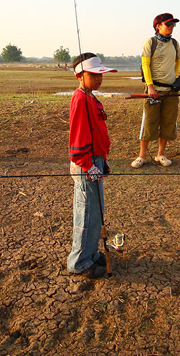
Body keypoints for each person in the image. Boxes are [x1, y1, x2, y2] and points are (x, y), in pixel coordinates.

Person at [67, 52, 117, 278]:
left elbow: (97, 133)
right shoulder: (80, 99)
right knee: (86, 212)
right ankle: (79, 262)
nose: (99, 79)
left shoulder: (91, 98)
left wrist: (102, 161)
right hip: (85, 163)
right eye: (93, 75)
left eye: (101, 75)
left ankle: (90, 251)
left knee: (96, 211)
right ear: (79, 75)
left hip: (95, 160)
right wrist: (88, 165)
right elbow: (77, 141)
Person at [131, 13, 180, 168]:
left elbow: (177, 61)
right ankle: (142, 156)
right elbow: (145, 65)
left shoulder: (174, 43)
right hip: (153, 90)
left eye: (173, 24)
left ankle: (160, 154)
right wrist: (150, 86)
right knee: (149, 122)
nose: (171, 27)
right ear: (158, 26)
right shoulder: (150, 42)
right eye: (168, 24)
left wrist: (176, 79)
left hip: (170, 91)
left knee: (168, 122)